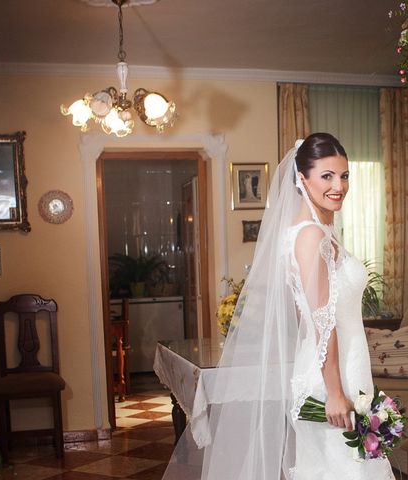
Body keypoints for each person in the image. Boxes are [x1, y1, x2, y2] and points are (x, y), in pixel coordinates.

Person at [164, 133, 394, 480]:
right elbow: (321, 320)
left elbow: (309, 312)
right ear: (303, 179)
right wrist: (334, 393)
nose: (339, 186)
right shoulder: (310, 236)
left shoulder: (318, 230)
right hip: (332, 378)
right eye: (327, 176)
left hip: (345, 367)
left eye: (344, 175)